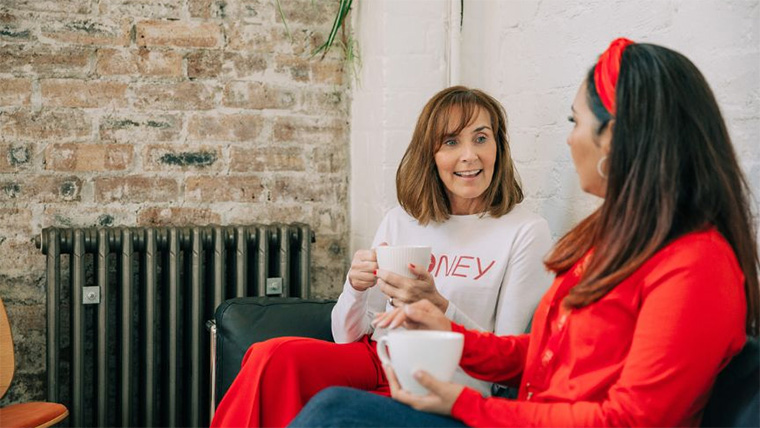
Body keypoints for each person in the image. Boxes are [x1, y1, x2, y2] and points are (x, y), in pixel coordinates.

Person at [289, 38, 760, 427]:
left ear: (614, 139)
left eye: (576, 122)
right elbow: (545, 354)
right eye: (450, 143)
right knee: (305, 381)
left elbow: (633, 419)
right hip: (518, 413)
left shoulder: (695, 266)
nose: (570, 137)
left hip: (513, 416)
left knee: (334, 414)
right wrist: (450, 331)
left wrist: (465, 403)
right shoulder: (619, 242)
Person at [210, 86, 554, 427]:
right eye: (451, 142)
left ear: (499, 146)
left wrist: (439, 305)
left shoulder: (525, 231)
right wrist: (354, 287)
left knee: (336, 409)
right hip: (379, 356)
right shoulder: (402, 220)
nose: (469, 155)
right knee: (271, 356)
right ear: (430, 154)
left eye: (481, 138)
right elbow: (349, 336)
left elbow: (509, 366)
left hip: (447, 377)